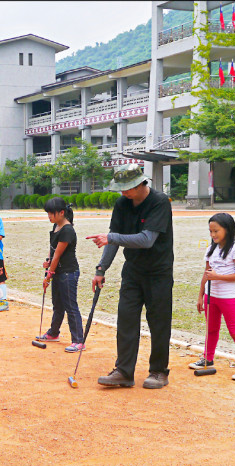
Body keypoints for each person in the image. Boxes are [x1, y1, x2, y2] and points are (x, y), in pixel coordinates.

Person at [87, 164, 174, 389]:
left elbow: (147, 240)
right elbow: (113, 240)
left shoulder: (159, 202)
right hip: (133, 271)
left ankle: (158, 371)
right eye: (120, 188)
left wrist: (111, 237)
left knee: (159, 323)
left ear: (139, 183)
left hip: (158, 272)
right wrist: (101, 269)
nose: (123, 192)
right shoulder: (122, 204)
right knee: (126, 320)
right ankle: (124, 372)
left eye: (126, 188)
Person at [191, 213, 235, 381]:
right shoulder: (211, 249)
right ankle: (208, 359)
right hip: (212, 297)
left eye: (216, 231)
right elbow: (207, 273)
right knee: (211, 329)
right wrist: (201, 295)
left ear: (228, 229)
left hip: (229, 297)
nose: (213, 235)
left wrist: (218, 277)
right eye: (210, 231)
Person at [36, 198, 84, 352]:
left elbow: (58, 255)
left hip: (68, 273)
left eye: (51, 213)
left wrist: (48, 276)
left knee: (70, 306)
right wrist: (48, 262)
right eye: (47, 213)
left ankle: (78, 341)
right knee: (58, 305)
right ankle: (53, 333)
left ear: (62, 213)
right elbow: (52, 251)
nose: (49, 216)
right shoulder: (56, 227)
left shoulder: (67, 230)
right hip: (58, 272)